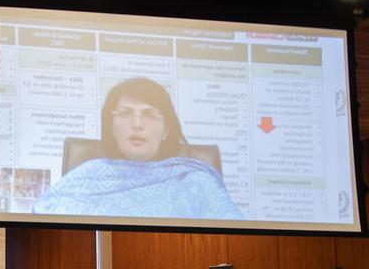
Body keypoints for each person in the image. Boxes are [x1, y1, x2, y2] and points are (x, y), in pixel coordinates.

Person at [33, 77, 243, 220]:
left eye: (150, 114)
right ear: (111, 127)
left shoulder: (196, 182)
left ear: (166, 130)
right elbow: (43, 217)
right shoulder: (85, 178)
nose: (137, 124)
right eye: (125, 113)